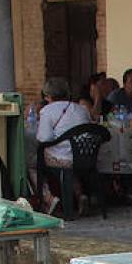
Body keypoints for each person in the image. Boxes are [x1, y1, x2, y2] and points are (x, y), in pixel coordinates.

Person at [32, 75, 94, 211]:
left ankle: (49, 198)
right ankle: (80, 195)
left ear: (47, 96)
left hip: (62, 159)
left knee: (31, 164)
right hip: (86, 157)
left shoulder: (47, 111)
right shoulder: (81, 109)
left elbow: (44, 138)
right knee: (69, 170)